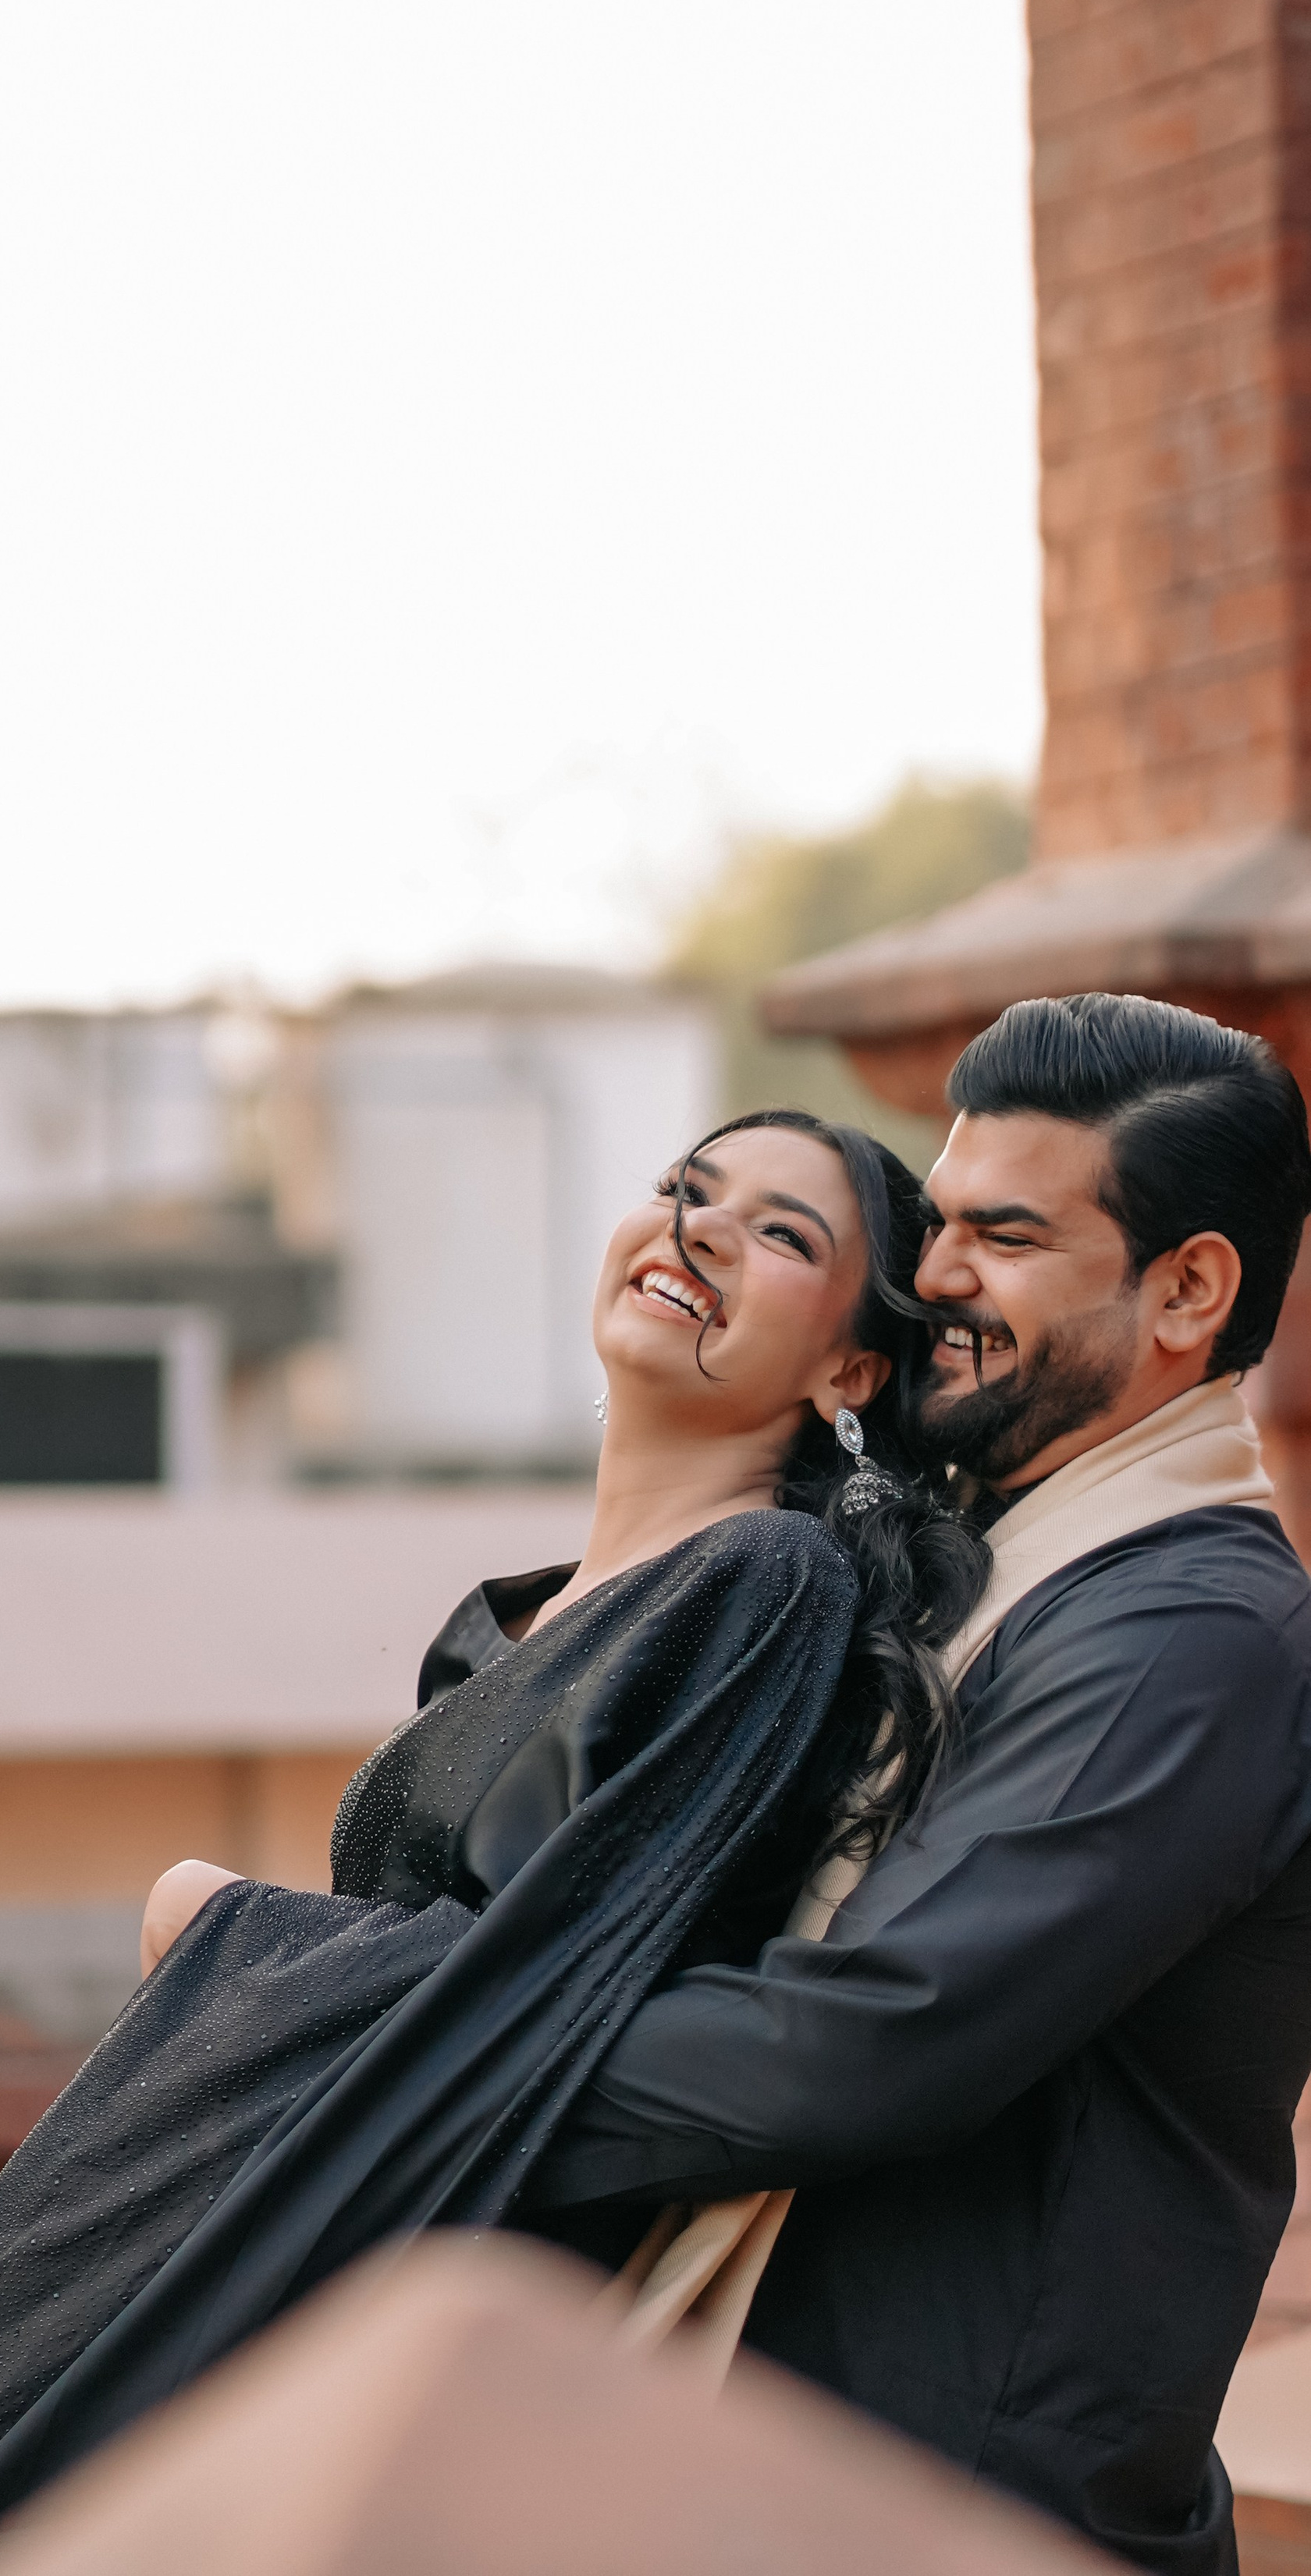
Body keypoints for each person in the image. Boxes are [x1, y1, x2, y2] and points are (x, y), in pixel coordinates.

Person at [0, 1113, 987, 2576]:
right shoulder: (525, 1618)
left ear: (853, 1369)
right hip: (299, 2221)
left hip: (409, 2278)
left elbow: (548, 1978)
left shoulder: (761, 1586)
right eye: (687, 1189)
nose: (701, 1228)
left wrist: (219, 1921)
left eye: (784, 1233)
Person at [519, 993, 1311, 2576]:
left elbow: (860, 2042)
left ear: (1187, 1288)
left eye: (1003, 1235)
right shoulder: (964, 1554)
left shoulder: (1190, 1636)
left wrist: (388, 2058)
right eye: (935, 1219)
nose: (931, 1273)